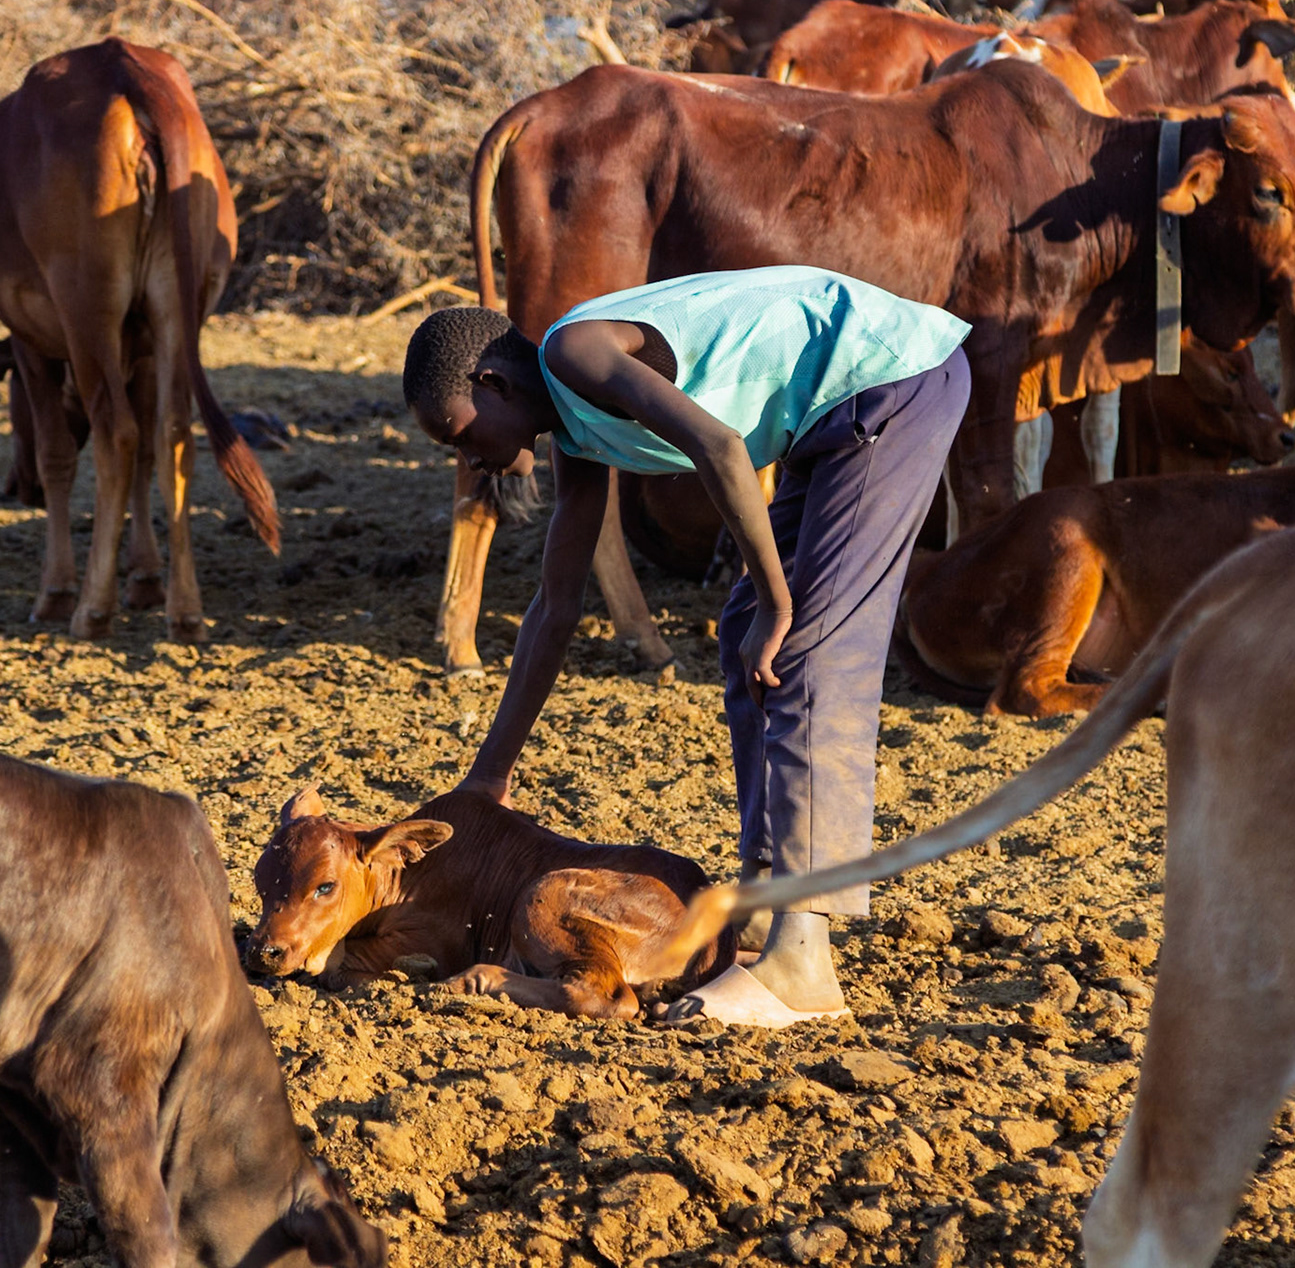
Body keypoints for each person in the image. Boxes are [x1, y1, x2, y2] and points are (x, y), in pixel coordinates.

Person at [402, 266, 971, 1027]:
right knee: (744, 637)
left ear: (492, 381)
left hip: (892, 378)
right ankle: (772, 904)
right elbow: (556, 609)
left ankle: (803, 963)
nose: (468, 460)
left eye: (457, 432)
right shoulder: (576, 430)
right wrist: (488, 777)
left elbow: (722, 447)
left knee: (801, 647)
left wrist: (777, 597)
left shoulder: (576, 354)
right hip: (833, 418)